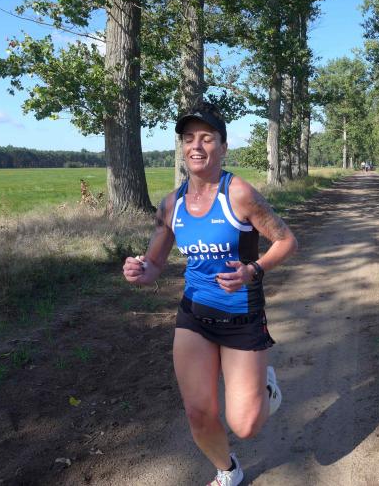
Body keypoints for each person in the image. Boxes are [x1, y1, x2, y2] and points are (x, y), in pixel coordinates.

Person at [122, 102, 298, 486]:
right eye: (189, 139)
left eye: (206, 138)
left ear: (223, 146)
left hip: (242, 317)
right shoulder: (172, 204)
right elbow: (154, 264)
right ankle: (228, 470)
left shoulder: (240, 194)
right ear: (182, 147)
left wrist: (253, 270)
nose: (196, 146)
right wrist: (139, 270)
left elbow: (287, 241)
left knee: (246, 424)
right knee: (198, 413)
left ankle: (266, 387)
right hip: (195, 315)